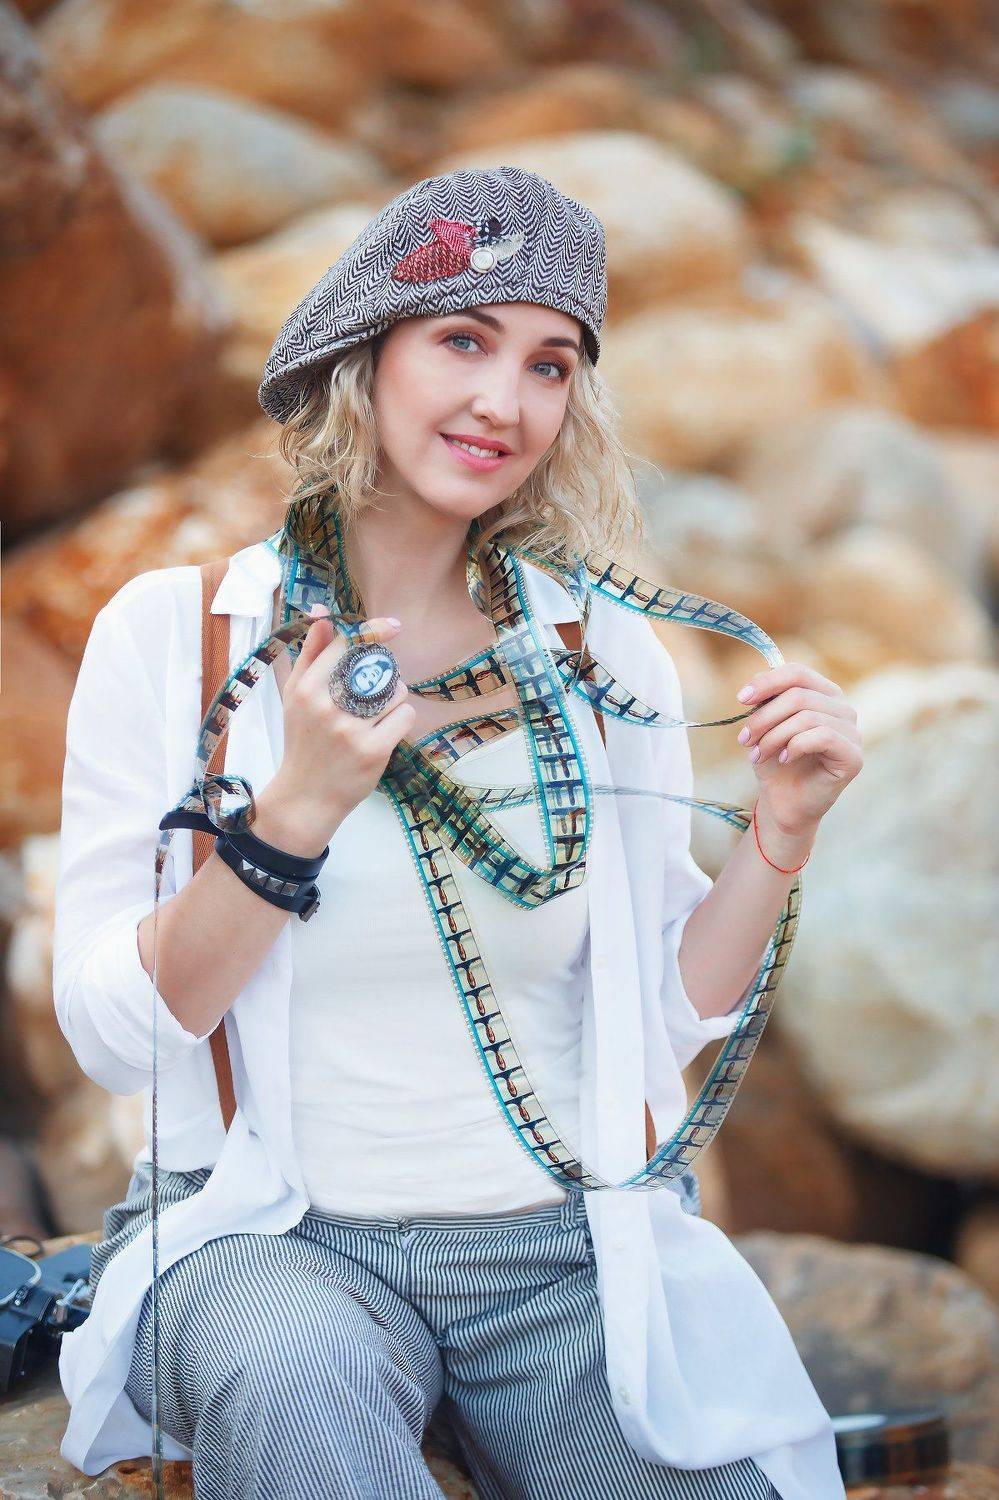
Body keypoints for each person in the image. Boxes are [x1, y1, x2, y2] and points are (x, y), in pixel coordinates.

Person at [53, 167, 862, 1499]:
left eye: (550, 365)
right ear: (366, 354)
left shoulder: (602, 652)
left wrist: (780, 833)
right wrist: (294, 813)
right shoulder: (177, 639)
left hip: (555, 1254)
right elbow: (113, 1034)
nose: (505, 402)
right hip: (270, 1246)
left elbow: (664, 1009)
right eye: (464, 340)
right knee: (295, 1378)